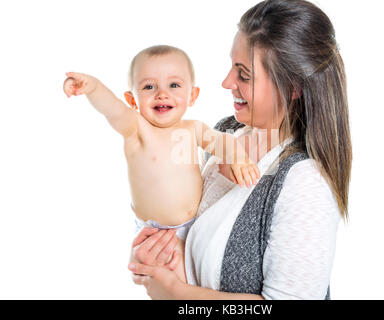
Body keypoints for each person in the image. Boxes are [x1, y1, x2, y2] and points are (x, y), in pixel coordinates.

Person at [128, 0, 352, 300]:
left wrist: (175, 294)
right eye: (231, 67)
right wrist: (159, 251)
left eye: (243, 74)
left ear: (293, 87)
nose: (226, 82)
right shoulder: (225, 131)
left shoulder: (306, 181)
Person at [62, 46, 260, 278]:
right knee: (171, 283)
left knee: (202, 281)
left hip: (195, 225)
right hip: (156, 234)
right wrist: (93, 87)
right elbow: (112, 109)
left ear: (192, 95)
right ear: (132, 99)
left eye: (174, 85)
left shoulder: (192, 129)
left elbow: (221, 141)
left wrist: (237, 157)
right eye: (149, 87)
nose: (162, 94)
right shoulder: (137, 129)